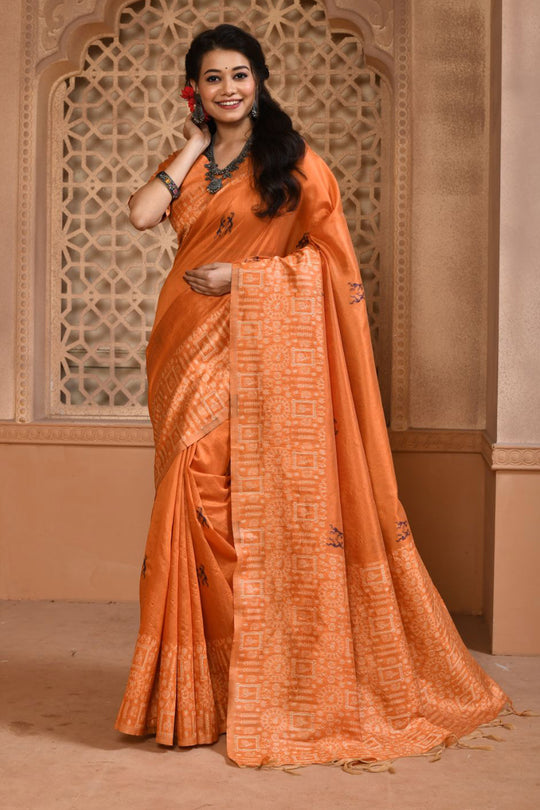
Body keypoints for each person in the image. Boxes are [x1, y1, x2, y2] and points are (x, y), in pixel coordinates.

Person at [114, 23, 513, 771]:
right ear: (193, 90)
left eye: (239, 75)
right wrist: (196, 143)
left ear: (260, 81)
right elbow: (141, 214)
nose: (228, 88)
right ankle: (205, 695)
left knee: (215, 500)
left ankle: (271, 680)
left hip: (251, 346)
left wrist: (247, 280)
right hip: (180, 347)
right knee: (185, 499)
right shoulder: (194, 163)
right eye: (212, 77)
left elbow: (332, 271)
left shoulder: (293, 165)